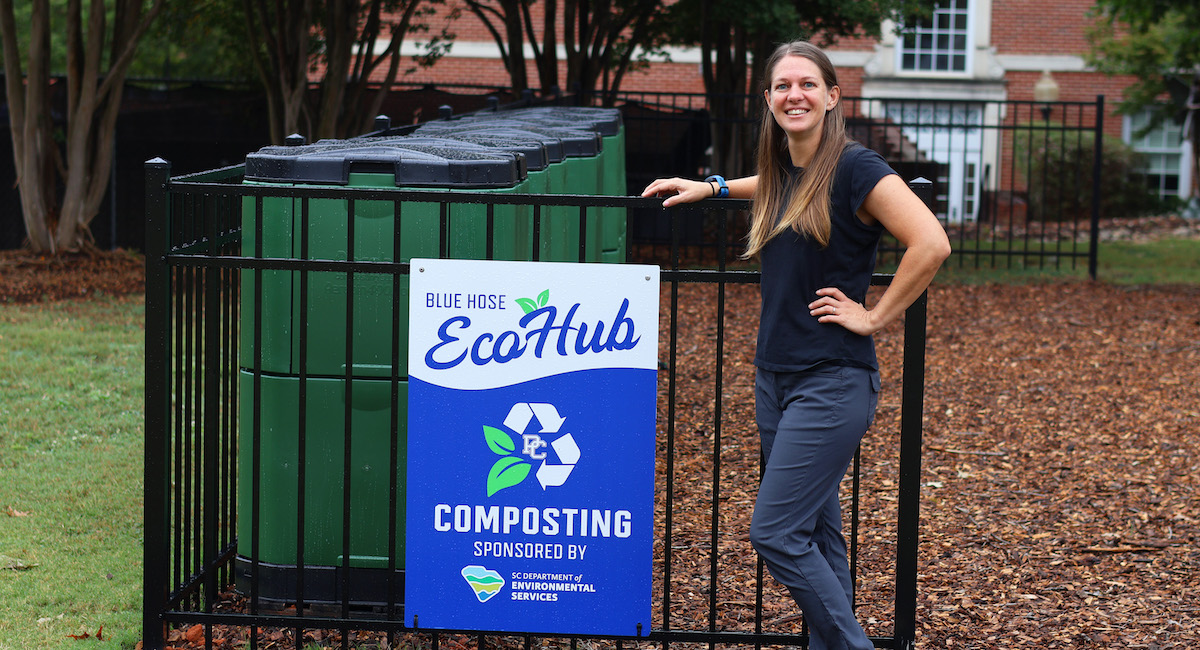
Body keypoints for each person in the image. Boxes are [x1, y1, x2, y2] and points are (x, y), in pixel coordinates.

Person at [642, 41, 951, 650]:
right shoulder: (787, 169)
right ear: (768, 99)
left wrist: (875, 317)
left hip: (832, 379)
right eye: (783, 86)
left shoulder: (858, 167)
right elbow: (774, 184)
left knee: (775, 532)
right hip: (774, 378)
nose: (795, 95)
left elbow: (931, 243)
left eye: (808, 84)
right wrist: (711, 187)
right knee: (815, 532)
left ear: (833, 95)